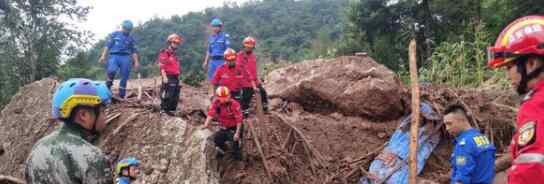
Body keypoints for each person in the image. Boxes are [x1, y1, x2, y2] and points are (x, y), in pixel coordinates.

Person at [487, 15, 544, 184]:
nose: (508, 75)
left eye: (510, 67)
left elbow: (531, 169)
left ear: (532, 63)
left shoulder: (536, 105)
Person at [25, 78, 113, 184]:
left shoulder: (38, 147)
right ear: (83, 115)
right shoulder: (93, 157)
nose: (105, 116)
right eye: (103, 111)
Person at [444, 104, 496, 184]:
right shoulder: (482, 138)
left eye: (449, 123)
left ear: (462, 120)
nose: (447, 128)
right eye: (445, 125)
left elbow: (462, 177)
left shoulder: (464, 145)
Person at [99, 20, 140, 99]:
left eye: (129, 30)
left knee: (124, 76)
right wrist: (103, 56)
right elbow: (108, 46)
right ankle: (107, 88)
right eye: (126, 29)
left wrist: (136, 62)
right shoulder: (115, 34)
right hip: (114, 56)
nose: (127, 31)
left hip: (126, 57)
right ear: (123, 27)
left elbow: (134, 51)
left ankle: (121, 95)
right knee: (111, 70)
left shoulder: (131, 38)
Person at [203, 86, 243, 160]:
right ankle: (223, 150)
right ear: (218, 97)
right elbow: (211, 113)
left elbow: (239, 120)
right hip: (224, 127)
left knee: (235, 142)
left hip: (234, 127)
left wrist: (237, 133)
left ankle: (237, 159)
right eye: (222, 97)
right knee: (217, 139)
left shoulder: (234, 104)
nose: (224, 99)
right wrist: (206, 124)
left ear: (229, 95)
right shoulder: (217, 103)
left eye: (226, 97)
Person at [237, 36, 269, 117]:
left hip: (254, 80)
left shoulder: (252, 56)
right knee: (246, 97)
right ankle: (244, 112)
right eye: (248, 47)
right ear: (244, 46)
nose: (249, 49)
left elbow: (253, 69)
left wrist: (256, 79)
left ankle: (264, 107)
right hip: (246, 81)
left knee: (263, 92)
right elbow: (243, 69)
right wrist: (251, 81)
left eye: (251, 48)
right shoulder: (240, 56)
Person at [203, 18, 230, 99]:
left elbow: (228, 50)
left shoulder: (225, 37)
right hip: (213, 62)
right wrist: (206, 62)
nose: (215, 28)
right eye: (214, 26)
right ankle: (216, 96)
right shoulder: (211, 38)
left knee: (223, 80)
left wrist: (227, 62)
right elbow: (209, 51)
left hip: (222, 61)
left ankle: (224, 96)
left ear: (220, 27)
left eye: (217, 26)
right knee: (214, 80)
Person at [158, 33, 183, 115]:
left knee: (175, 95)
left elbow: (178, 68)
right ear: (170, 43)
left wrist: (180, 79)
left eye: (177, 43)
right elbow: (162, 66)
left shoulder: (175, 55)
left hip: (176, 76)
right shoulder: (165, 52)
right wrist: (164, 77)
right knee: (168, 94)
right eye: (174, 43)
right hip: (168, 76)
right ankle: (164, 109)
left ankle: (172, 110)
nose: (176, 45)